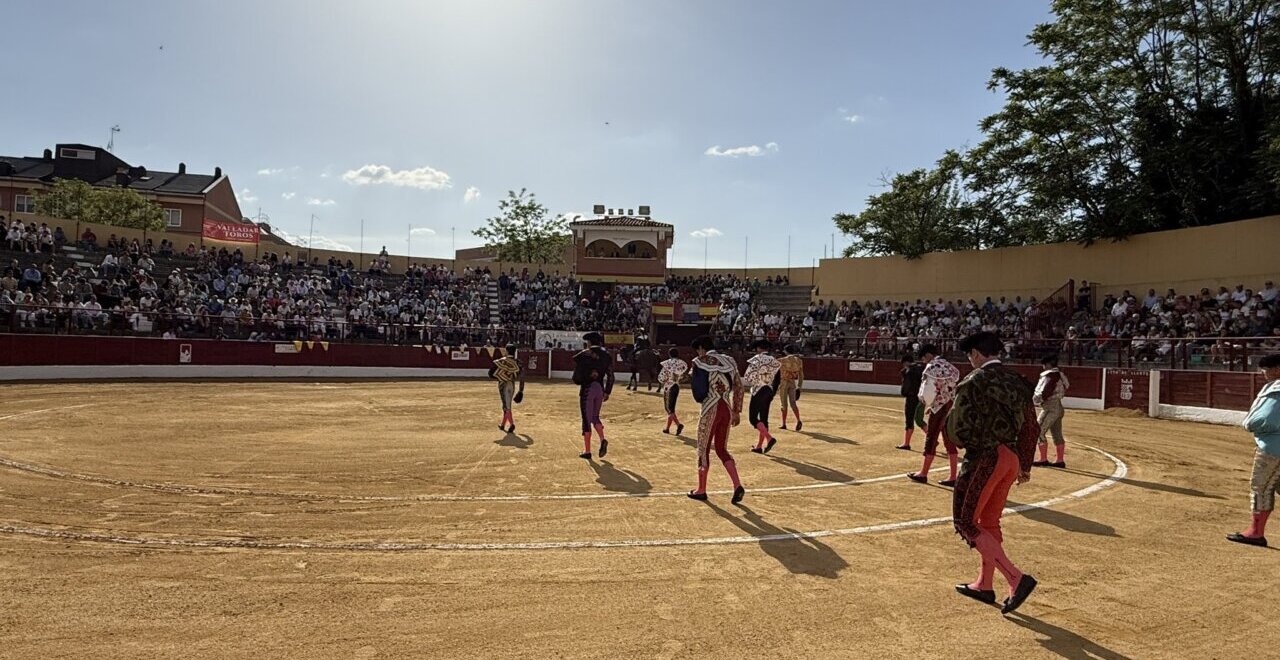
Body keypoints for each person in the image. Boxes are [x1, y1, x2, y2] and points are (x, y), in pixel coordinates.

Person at [948, 331, 1040, 614]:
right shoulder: (1018, 382)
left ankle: (1015, 578)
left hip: (985, 459)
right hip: (1010, 458)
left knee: (965, 521)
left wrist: (963, 442)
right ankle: (984, 585)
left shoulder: (974, 381)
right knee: (989, 521)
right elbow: (1030, 427)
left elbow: (956, 427)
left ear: (976, 354)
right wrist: (1024, 464)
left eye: (969, 355)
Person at [1227, 354, 1280, 547]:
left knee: (1261, 486)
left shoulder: (1277, 389)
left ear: (1277, 369)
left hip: (1274, 448)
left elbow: (1268, 418)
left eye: (1266, 370)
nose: (1264, 374)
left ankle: (1256, 532)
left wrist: (1251, 425)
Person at [688, 336, 745, 504]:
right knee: (722, 449)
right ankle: (737, 485)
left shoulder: (699, 361)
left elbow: (698, 392)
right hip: (726, 408)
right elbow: (739, 387)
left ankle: (701, 489)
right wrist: (736, 411)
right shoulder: (730, 361)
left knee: (703, 448)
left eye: (698, 349)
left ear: (701, 348)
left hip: (710, 408)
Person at [908, 344, 961, 486]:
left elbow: (928, 391)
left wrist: (928, 404)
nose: (924, 361)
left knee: (931, 438)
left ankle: (923, 473)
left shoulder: (932, 367)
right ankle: (953, 476)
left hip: (939, 407)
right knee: (949, 439)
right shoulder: (950, 367)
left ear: (928, 355)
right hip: (951, 404)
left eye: (924, 358)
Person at [572, 332, 614, 460]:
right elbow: (611, 376)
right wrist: (607, 391)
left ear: (589, 342)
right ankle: (602, 439)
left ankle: (587, 451)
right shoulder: (607, 355)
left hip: (588, 388)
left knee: (586, 419)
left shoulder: (585, 353)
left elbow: (575, 360)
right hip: (599, 388)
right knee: (595, 417)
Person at [744, 339, 782, 454]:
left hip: (758, 390)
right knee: (764, 418)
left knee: (753, 418)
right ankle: (759, 446)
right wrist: (772, 392)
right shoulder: (774, 361)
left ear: (759, 348)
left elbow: (748, 376)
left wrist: (756, 382)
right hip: (769, 390)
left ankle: (769, 438)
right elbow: (777, 379)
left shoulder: (757, 359)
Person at [1032, 354, 1070, 469]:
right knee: (1057, 434)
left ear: (1048, 364)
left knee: (1038, 431)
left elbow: (1043, 392)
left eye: (1044, 364)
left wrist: (1035, 400)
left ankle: (1043, 459)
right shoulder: (1060, 374)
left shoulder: (1048, 376)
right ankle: (1060, 460)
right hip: (1058, 407)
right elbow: (1067, 385)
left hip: (1050, 408)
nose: (1043, 367)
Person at [488, 344, 525, 434]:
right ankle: (503, 425)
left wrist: (501, 377)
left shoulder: (500, 361)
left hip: (503, 385)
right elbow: (522, 377)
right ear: (515, 352)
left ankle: (512, 424)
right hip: (511, 385)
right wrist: (521, 391)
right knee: (507, 405)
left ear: (506, 351)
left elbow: (490, 374)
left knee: (506, 406)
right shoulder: (518, 363)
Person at [657, 347, 689, 436]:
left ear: (669, 355)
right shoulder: (682, 364)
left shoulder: (667, 364)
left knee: (669, 409)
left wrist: (663, 380)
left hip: (669, 387)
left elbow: (661, 378)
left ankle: (678, 425)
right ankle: (667, 428)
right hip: (676, 386)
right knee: (672, 409)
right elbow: (683, 375)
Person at [898, 353, 925, 450]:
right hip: (921, 398)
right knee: (919, 420)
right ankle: (932, 439)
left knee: (909, 420)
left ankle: (906, 443)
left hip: (911, 398)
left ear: (906, 363)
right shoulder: (922, 368)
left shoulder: (908, 371)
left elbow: (907, 386)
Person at [777, 344, 805, 431]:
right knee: (793, 403)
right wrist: (799, 386)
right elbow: (801, 375)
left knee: (784, 404)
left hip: (784, 383)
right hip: (792, 383)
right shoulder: (799, 361)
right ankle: (798, 420)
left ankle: (784, 424)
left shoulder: (781, 360)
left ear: (785, 351)